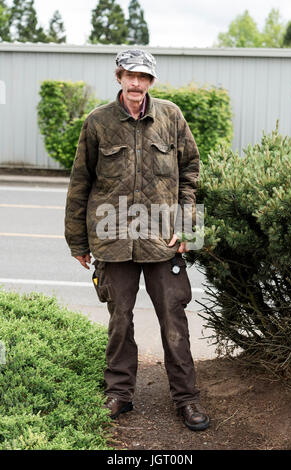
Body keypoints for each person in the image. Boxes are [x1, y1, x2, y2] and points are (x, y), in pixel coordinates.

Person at [64, 49, 210, 431]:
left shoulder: (171, 116)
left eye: (143, 77)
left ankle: (186, 399)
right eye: (130, 75)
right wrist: (77, 240)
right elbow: (80, 183)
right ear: (119, 77)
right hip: (113, 240)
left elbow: (191, 172)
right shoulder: (97, 122)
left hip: (162, 239)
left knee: (174, 321)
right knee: (120, 320)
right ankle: (119, 395)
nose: (136, 83)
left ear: (151, 82)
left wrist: (188, 224)